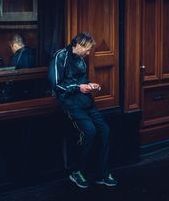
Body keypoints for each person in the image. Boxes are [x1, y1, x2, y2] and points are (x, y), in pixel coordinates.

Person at [48, 32, 117, 189]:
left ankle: (102, 174)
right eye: (87, 50)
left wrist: (90, 85)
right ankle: (78, 171)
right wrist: (79, 87)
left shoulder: (81, 60)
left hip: (86, 102)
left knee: (105, 130)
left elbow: (82, 81)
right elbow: (56, 85)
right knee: (90, 131)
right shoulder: (60, 56)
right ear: (77, 45)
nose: (88, 53)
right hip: (70, 104)